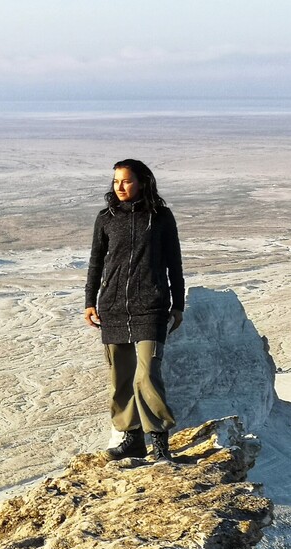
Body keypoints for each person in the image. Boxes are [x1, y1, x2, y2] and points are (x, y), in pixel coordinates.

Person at [84, 159, 184, 461]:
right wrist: (90, 301)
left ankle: (160, 442)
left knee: (147, 376)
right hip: (113, 307)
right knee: (122, 377)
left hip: (150, 307)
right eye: (116, 181)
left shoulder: (160, 217)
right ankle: (132, 438)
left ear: (142, 182)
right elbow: (96, 263)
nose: (120, 187)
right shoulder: (106, 218)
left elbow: (174, 263)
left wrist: (177, 304)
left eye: (126, 181)